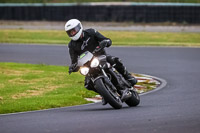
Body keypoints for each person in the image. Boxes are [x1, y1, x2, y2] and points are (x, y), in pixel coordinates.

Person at [65, 19, 137, 104]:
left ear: (79, 27)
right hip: (88, 65)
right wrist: (73, 67)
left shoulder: (91, 32)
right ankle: (104, 94)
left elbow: (106, 39)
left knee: (114, 60)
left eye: (74, 31)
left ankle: (128, 77)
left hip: (101, 57)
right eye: (70, 32)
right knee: (87, 84)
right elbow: (74, 60)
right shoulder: (71, 45)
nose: (72, 33)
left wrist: (105, 42)